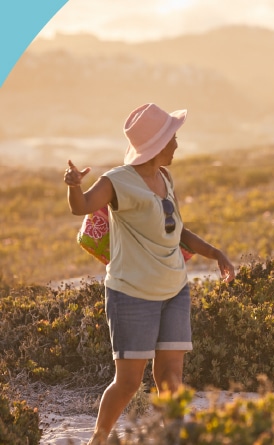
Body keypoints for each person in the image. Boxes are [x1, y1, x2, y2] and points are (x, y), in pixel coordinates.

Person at [64, 103, 236, 445]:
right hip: (131, 293)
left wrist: (215, 253)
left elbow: (179, 230)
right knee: (128, 381)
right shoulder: (116, 181)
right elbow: (80, 206)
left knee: (171, 377)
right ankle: (98, 440)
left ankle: (172, 438)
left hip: (174, 289)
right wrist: (72, 185)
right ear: (157, 143)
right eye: (172, 138)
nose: (177, 145)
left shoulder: (165, 178)